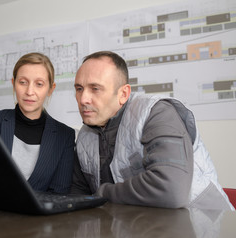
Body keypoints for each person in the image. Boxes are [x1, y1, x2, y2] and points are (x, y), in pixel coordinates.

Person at [71, 50, 234, 210]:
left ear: (123, 94)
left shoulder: (156, 113)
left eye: (95, 89)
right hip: (143, 229)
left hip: (207, 226)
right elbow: (79, 198)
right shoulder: (85, 136)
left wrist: (103, 194)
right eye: (79, 89)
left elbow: (171, 189)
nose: (83, 99)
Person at [0, 52, 75, 194]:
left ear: (50, 89)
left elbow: (59, 194)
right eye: (23, 82)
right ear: (13, 84)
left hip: (37, 216)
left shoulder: (64, 136)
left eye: (39, 84)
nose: (29, 91)